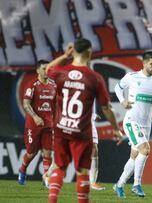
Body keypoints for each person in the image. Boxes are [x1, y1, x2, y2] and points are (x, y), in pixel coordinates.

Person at [46, 38, 122, 203]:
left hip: (61, 128)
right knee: (82, 173)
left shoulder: (61, 72)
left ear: (73, 51)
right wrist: (115, 128)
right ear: (89, 52)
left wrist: (65, 56)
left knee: (59, 168)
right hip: (81, 131)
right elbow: (106, 107)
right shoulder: (94, 78)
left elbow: (47, 69)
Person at [114, 51, 152, 198]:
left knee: (135, 155)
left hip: (146, 124)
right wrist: (123, 101)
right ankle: (136, 184)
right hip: (132, 121)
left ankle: (119, 184)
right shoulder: (132, 77)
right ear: (144, 63)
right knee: (145, 149)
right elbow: (118, 88)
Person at [18, 60, 56, 186]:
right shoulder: (32, 85)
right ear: (38, 70)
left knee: (47, 152)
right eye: (44, 68)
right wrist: (35, 117)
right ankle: (22, 169)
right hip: (33, 126)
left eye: (48, 69)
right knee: (31, 153)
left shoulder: (53, 85)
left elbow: (56, 104)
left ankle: (46, 179)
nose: (47, 71)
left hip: (48, 125)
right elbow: (26, 103)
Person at [89, 113, 105, 190]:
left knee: (94, 149)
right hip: (75, 122)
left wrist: (94, 115)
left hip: (89, 123)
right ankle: (48, 174)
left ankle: (93, 182)